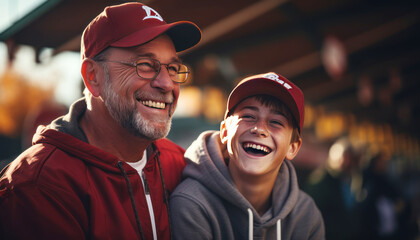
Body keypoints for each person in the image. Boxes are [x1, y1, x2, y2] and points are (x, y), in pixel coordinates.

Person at [0, 2, 201, 240]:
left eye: (173, 68)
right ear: (93, 77)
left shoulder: (178, 163)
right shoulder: (39, 185)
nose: (167, 84)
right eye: (145, 65)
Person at [170, 72, 325, 239]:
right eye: (248, 116)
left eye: (276, 122)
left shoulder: (306, 214)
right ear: (224, 132)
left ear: (293, 148)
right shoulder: (192, 202)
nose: (259, 129)